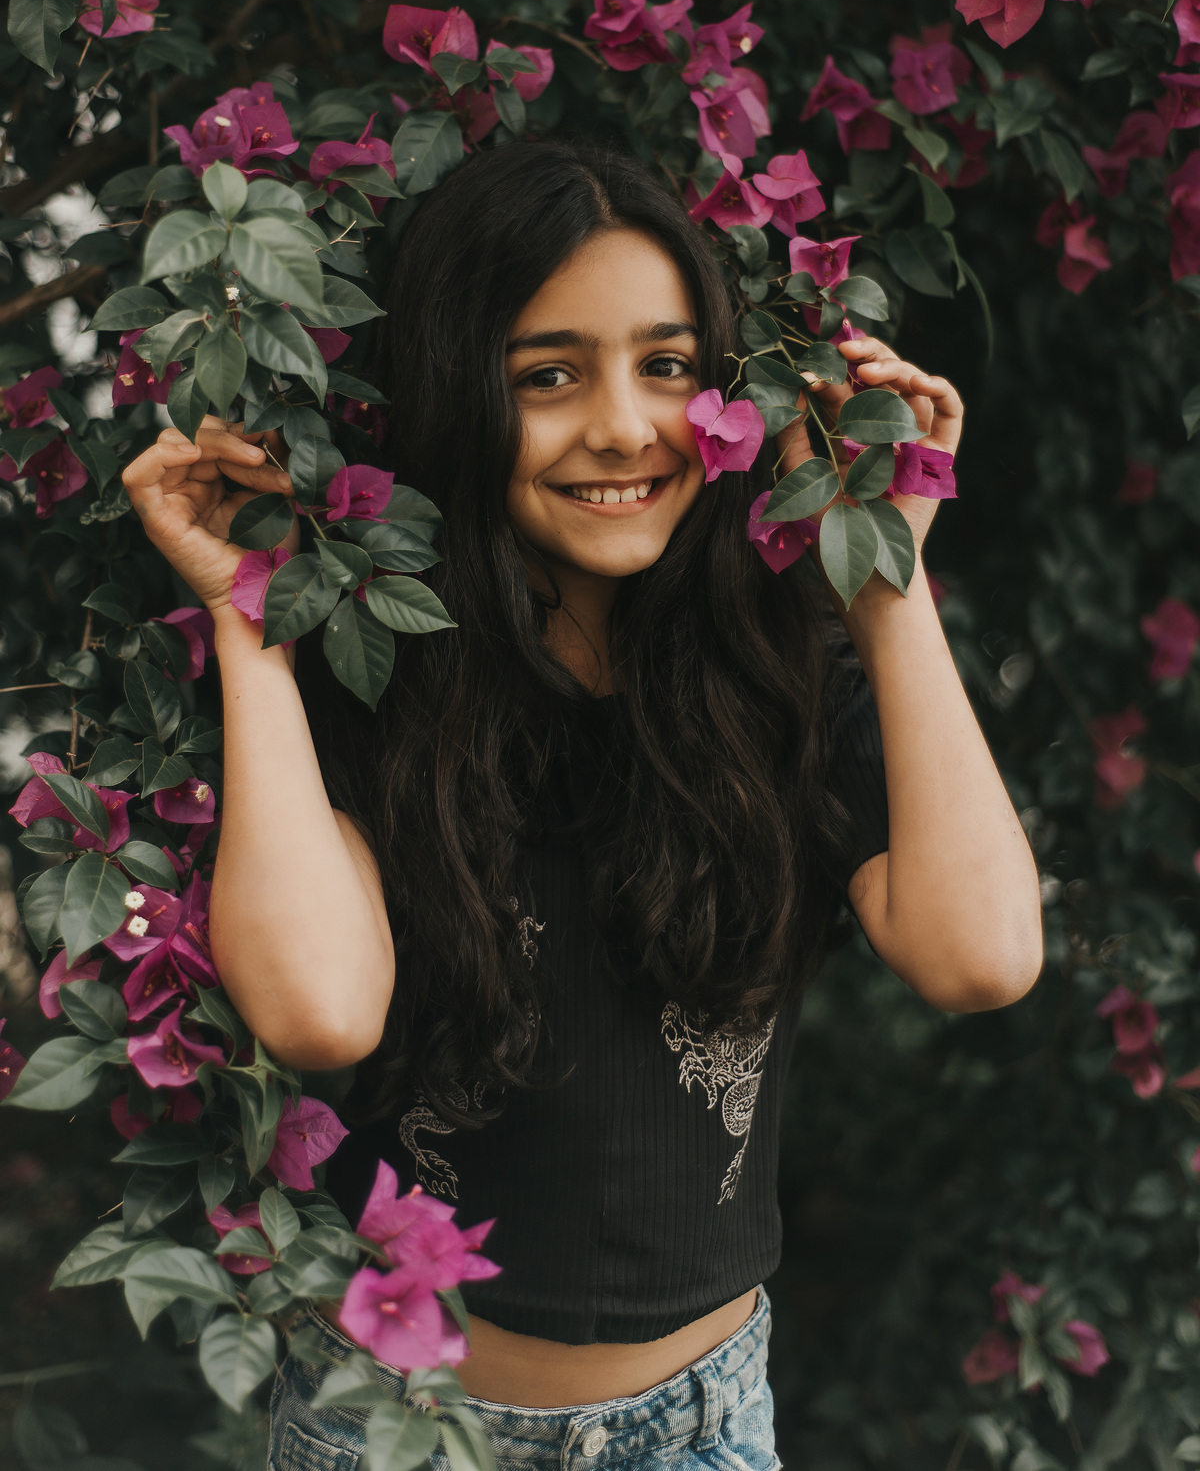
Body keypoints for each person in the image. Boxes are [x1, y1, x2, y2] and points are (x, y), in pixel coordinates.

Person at [122, 139, 1042, 1471]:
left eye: (667, 366)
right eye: (548, 375)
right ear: (459, 392)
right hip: (397, 1430)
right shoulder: (368, 678)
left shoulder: (783, 678)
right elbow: (319, 1013)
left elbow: (984, 955)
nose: (623, 427)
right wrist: (249, 622)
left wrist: (882, 571)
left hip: (705, 1427)